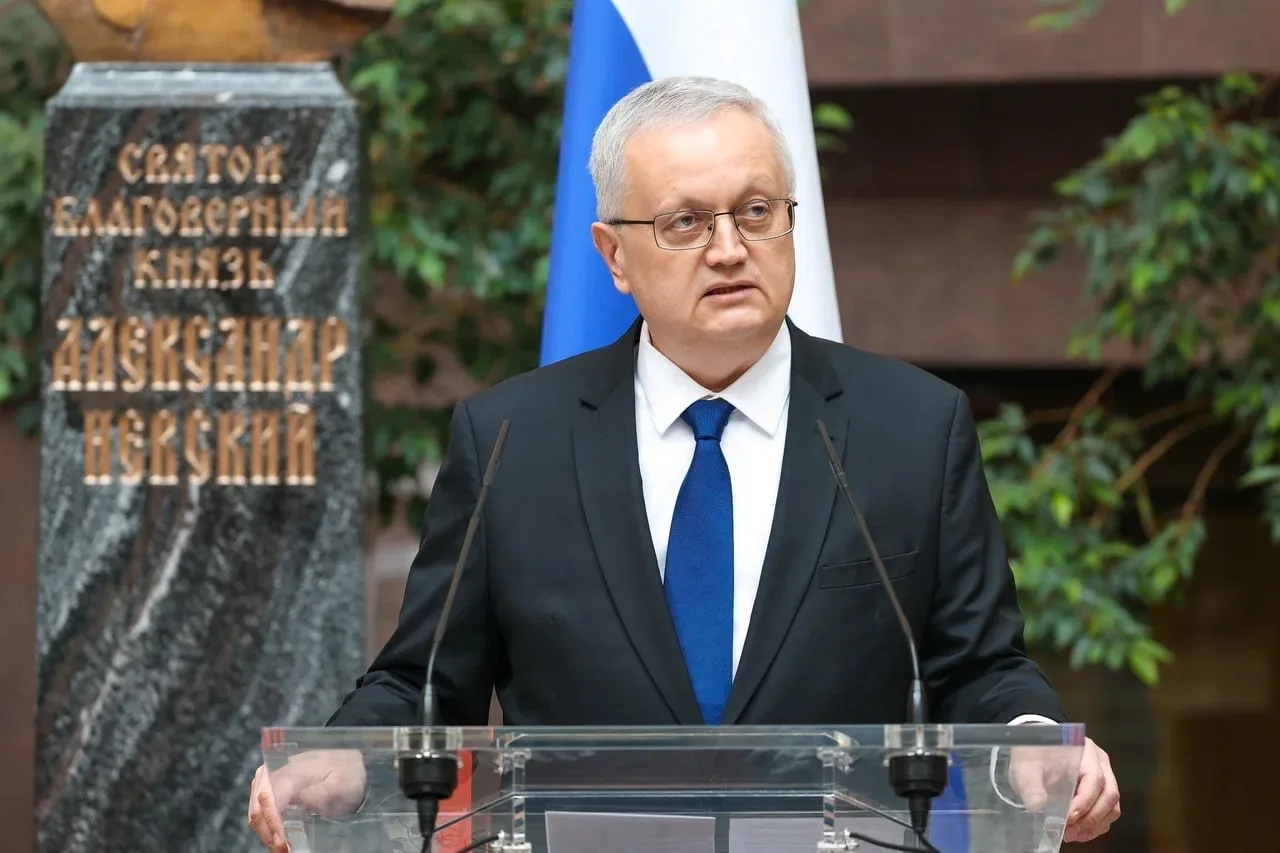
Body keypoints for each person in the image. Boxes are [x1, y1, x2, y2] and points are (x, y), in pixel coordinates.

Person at [248, 75, 1120, 849]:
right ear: (613, 256)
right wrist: (345, 755)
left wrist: (1035, 743)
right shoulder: (513, 439)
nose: (729, 247)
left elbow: (980, 667)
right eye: (685, 222)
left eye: (756, 211)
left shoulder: (912, 426)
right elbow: (428, 680)